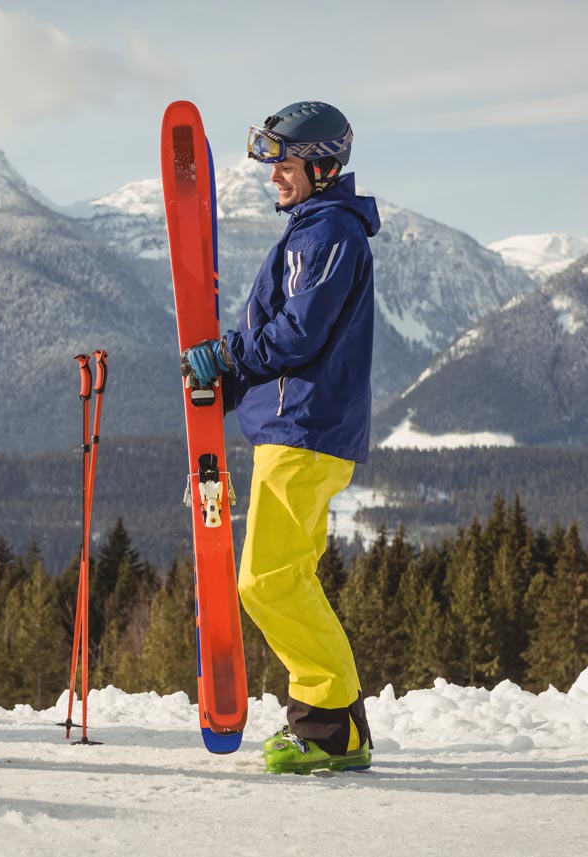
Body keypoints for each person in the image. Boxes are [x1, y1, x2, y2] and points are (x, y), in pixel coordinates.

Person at [181, 101, 380, 774]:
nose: (275, 180)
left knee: (267, 582)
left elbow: (300, 332)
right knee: (286, 577)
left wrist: (232, 362)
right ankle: (337, 727)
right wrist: (228, 366)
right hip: (298, 428)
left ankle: (330, 727)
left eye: (285, 166)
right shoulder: (314, 231)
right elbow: (281, 324)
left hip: (307, 430)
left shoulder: (329, 237)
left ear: (321, 167)